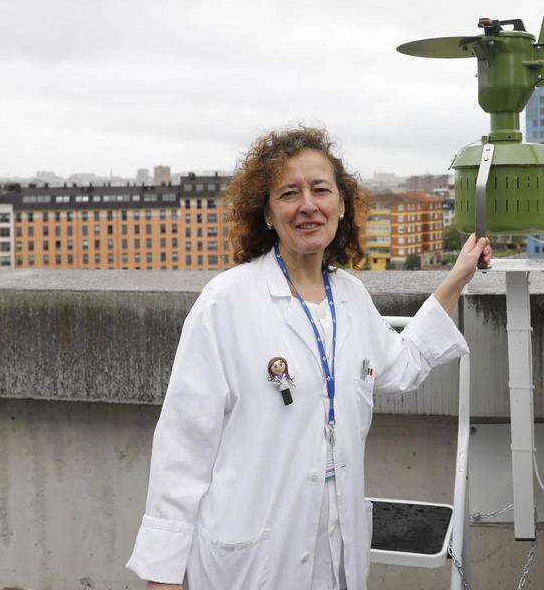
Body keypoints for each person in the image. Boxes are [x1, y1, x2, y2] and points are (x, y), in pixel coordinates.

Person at [126, 126, 489, 590]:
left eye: (321, 189)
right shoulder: (226, 303)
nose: (308, 205)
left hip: (336, 546)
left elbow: (400, 364)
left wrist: (458, 277)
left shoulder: (351, 297)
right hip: (252, 556)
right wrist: (163, 572)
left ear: (341, 203)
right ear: (268, 212)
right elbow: (183, 444)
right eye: (289, 193)